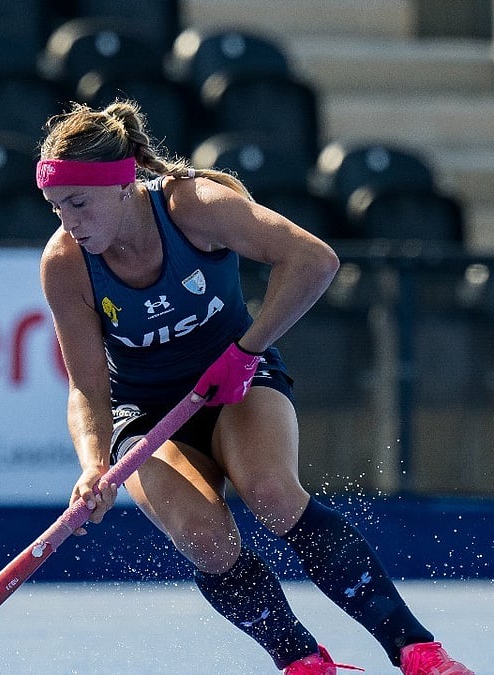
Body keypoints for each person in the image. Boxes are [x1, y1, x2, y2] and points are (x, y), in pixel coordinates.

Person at [36, 100, 473, 675]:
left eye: (78, 202)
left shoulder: (195, 206)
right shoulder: (65, 263)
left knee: (271, 493)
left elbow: (315, 260)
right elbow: (88, 390)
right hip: (143, 413)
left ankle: (416, 650)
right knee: (205, 539)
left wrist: (246, 350)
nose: (68, 221)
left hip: (237, 383)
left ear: (121, 185)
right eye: (56, 206)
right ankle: (302, 660)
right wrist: (92, 465)